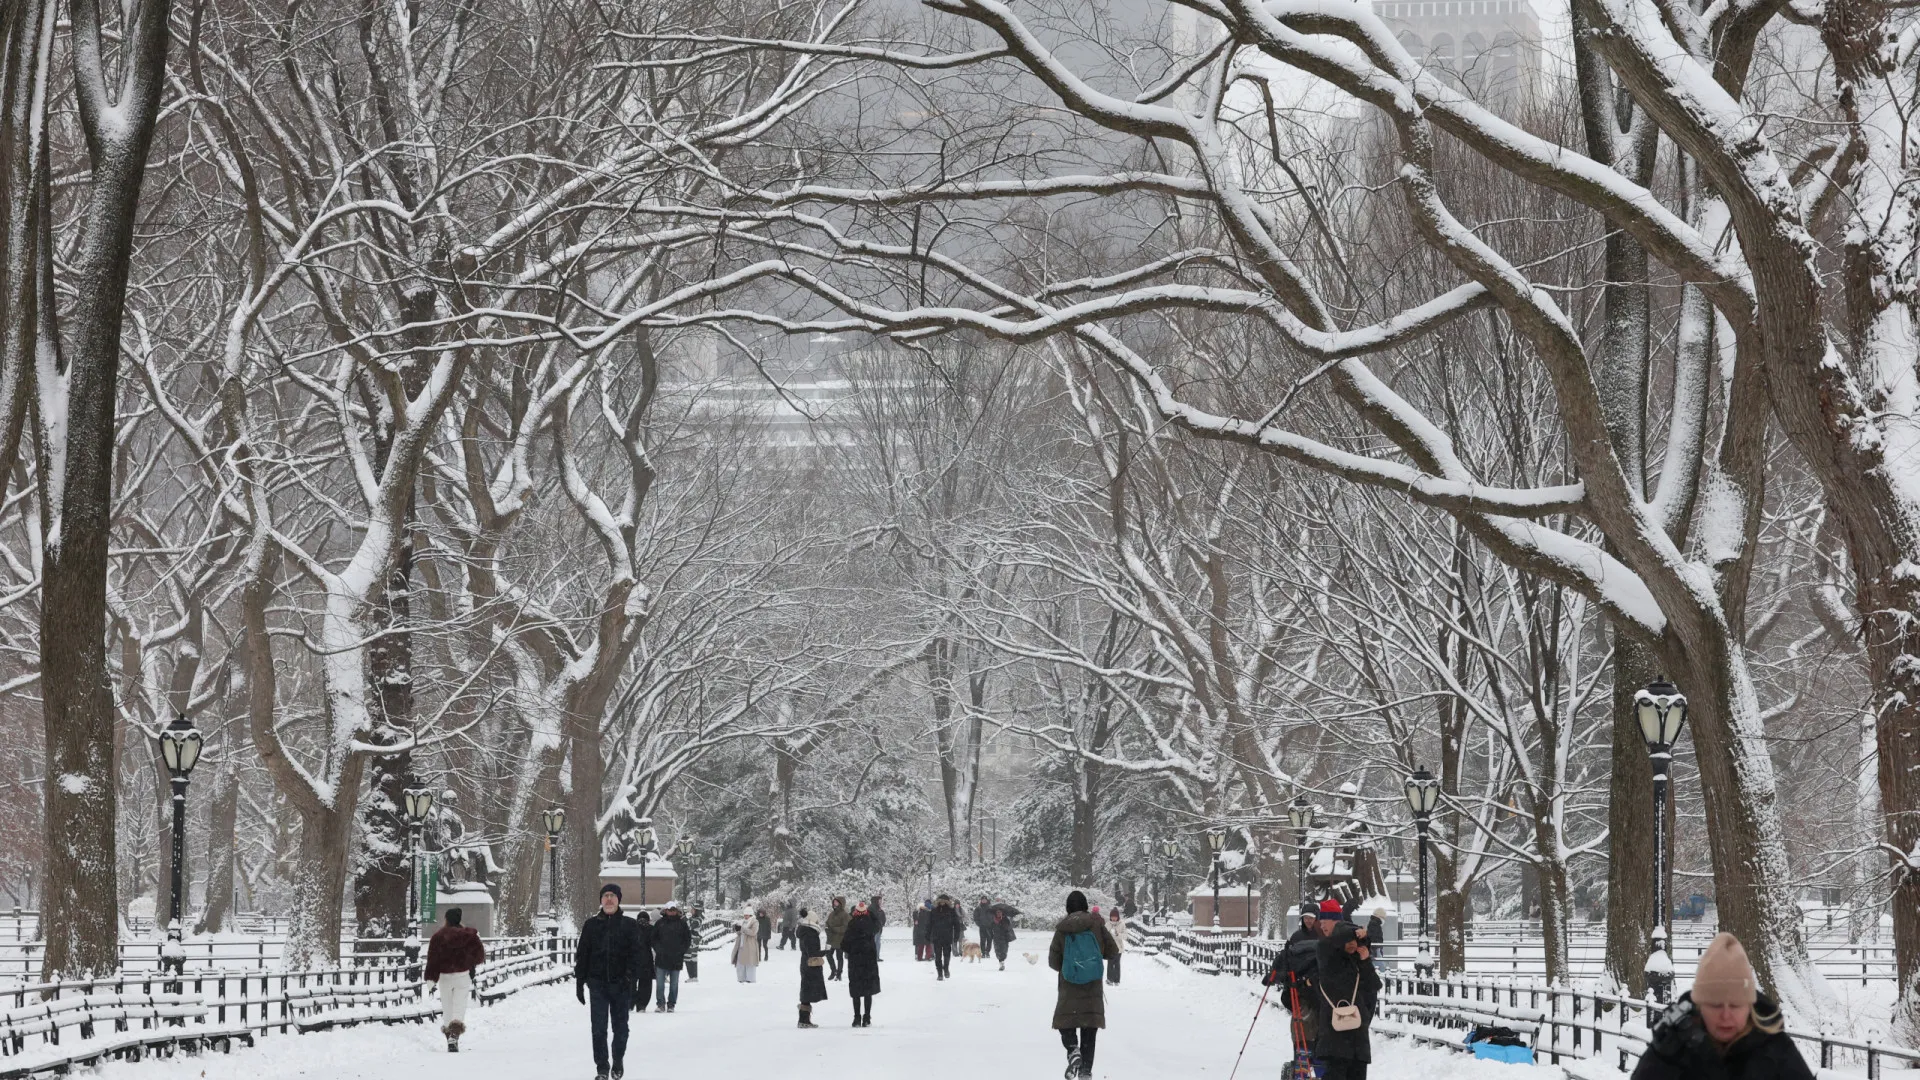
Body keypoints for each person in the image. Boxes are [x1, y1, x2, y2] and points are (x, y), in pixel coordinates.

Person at [1631, 933, 1814, 1080]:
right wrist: (1661, 1060)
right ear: (1700, 1006)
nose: (1726, 1015)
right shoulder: (1674, 1047)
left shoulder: (1775, 1049)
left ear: (1749, 1006)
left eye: (1735, 1005)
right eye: (1715, 1005)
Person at [574, 885, 643, 1080]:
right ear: (601, 900)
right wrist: (580, 981)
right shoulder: (591, 925)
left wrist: (631, 978)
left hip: (621, 985)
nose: (609, 899)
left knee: (621, 1027)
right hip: (597, 985)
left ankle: (618, 1059)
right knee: (598, 1028)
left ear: (619, 900)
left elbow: (637, 955)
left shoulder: (629, 925)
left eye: (613, 896)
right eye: (606, 896)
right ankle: (602, 1068)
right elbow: (583, 955)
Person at [1050, 890, 1121, 1079]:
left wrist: (1069, 966)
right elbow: (1113, 951)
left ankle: (1073, 1051)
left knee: (1066, 1022)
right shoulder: (1096, 925)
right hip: (1092, 989)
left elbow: (1053, 961)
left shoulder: (1063, 929)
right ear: (1085, 906)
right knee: (1089, 1030)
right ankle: (1086, 1072)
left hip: (1069, 989)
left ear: (1068, 908)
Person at [1312, 919, 1381, 1080]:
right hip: (1334, 1040)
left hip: (1357, 1040)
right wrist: (1354, 932)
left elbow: (1374, 986)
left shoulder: (1358, 962)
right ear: (1339, 941)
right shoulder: (1328, 958)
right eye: (1348, 941)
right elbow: (1327, 946)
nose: (1352, 944)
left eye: (1354, 941)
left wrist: (1365, 960)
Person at [424, 907, 484, 1052]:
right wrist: (469, 963)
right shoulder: (469, 936)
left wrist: (431, 979)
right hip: (462, 976)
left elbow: (433, 960)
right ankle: (454, 1036)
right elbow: (479, 955)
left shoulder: (438, 937)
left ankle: (449, 1037)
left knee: (447, 1007)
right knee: (459, 1007)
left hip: (445, 977)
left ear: (447, 919)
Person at [843, 900, 882, 1026]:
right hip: (868, 961)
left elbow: (844, 944)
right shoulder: (870, 924)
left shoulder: (851, 924)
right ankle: (867, 1017)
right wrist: (870, 914)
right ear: (866, 912)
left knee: (856, 991)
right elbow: (878, 925)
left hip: (855, 961)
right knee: (867, 991)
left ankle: (856, 1018)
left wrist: (852, 950)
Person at [650, 902, 693, 1013]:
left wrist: (681, 951)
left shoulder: (682, 924)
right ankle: (660, 1004)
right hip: (661, 958)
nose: (672, 912)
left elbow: (687, 939)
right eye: (670, 910)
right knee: (660, 984)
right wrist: (658, 949)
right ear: (666, 910)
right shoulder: (660, 923)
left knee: (674, 984)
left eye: (674, 910)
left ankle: (671, 1004)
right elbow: (654, 938)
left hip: (676, 958)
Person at [796, 907, 829, 1028]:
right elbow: (812, 952)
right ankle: (804, 1020)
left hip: (805, 963)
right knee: (807, 991)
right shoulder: (810, 933)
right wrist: (824, 952)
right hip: (810, 965)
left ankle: (804, 1019)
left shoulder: (804, 931)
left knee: (806, 990)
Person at [928, 895, 961, 980]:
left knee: (947, 955)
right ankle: (939, 973)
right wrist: (927, 935)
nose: (942, 903)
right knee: (938, 956)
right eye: (941, 901)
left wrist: (956, 936)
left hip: (947, 937)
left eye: (944, 901)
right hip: (936, 937)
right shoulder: (934, 911)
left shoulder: (951, 911)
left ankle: (946, 969)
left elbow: (956, 924)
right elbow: (929, 924)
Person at [631, 910, 655, 1013]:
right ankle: (642, 1004)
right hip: (646, 959)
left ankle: (631, 1002)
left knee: (631, 982)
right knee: (645, 984)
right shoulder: (651, 929)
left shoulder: (632, 929)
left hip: (633, 959)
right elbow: (655, 943)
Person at [825, 896, 850, 980]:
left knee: (839, 957)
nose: (834, 903)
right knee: (828, 955)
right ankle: (833, 971)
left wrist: (834, 929)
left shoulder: (845, 914)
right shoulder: (831, 913)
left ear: (841, 903)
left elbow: (846, 927)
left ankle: (839, 973)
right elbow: (827, 923)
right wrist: (827, 929)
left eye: (836, 902)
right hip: (830, 939)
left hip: (840, 939)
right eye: (834, 902)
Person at [734, 910, 762, 982]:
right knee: (740, 963)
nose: (745, 916)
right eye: (744, 915)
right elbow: (740, 933)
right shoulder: (743, 922)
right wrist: (737, 930)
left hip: (750, 945)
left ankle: (750, 980)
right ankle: (741, 979)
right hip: (741, 945)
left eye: (747, 915)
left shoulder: (755, 922)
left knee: (750, 963)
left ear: (751, 915)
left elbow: (753, 932)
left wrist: (742, 929)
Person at [1104, 906, 1127, 985]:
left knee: (1117, 964)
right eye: (1112, 917)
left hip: (1118, 948)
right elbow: (1104, 935)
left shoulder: (1122, 924)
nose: (1114, 918)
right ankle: (1109, 979)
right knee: (1110, 963)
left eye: (1115, 917)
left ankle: (1116, 980)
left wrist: (1118, 934)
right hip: (1110, 948)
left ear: (1118, 917)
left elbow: (1125, 936)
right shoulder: (1107, 924)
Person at [990, 906, 1016, 970]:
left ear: (1002, 913)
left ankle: (1002, 960)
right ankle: (1001, 961)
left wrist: (1002, 923)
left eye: (1000, 912)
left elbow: (1008, 928)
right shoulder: (993, 920)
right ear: (995, 913)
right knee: (997, 950)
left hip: (1004, 937)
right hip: (996, 937)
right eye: (997, 912)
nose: (999, 914)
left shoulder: (1005, 919)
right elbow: (990, 928)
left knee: (1004, 950)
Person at [685, 906, 704, 982]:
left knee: (690, 957)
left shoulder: (698, 920)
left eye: (693, 910)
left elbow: (689, 927)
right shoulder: (692, 918)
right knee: (690, 958)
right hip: (692, 939)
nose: (691, 911)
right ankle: (692, 976)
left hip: (693, 940)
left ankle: (693, 976)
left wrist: (685, 920)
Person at [870, 894, 888, 959]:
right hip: (873, 929)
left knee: (878, 943)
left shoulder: (879, 909)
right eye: (879, 900)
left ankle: (877, 956)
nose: (880, 902)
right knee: (874, 943)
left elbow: (883, 918)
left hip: (878, 929)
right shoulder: (871, 908)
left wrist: (881, 924)